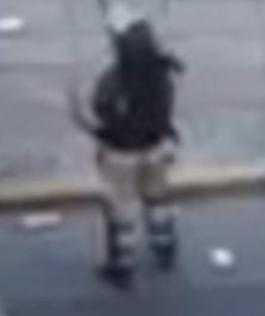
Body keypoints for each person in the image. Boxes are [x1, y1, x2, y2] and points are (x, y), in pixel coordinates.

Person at [78, 17, 185, 287]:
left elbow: (99, 114)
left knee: (122, 209)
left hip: (122, 154)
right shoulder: (161, 76)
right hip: (156, 147)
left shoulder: (115, 84)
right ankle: (165, 248)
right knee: (157, 199)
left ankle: (122, 265)